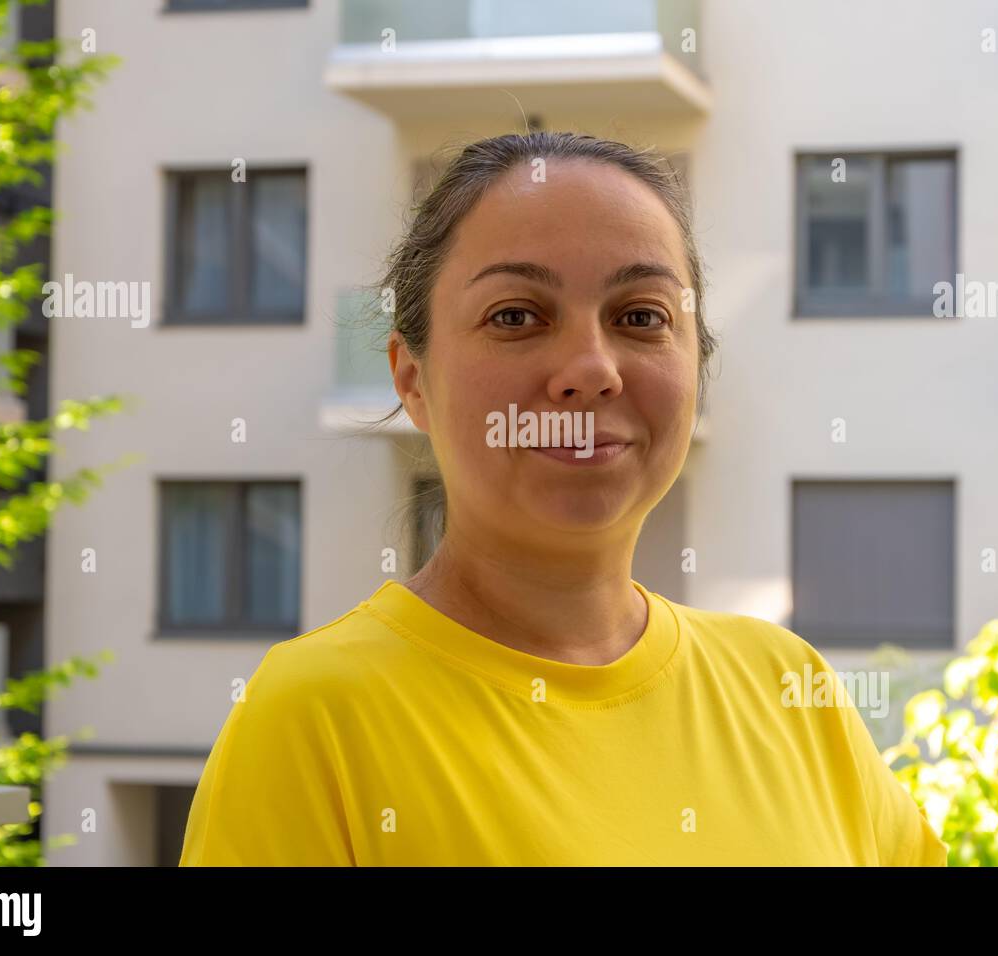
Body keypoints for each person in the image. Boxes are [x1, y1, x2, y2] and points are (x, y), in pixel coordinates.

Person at [179, 131, 948, 866]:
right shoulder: (313, 718)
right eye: (515, 316)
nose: (590, 368)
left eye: (641, 317)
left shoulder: (787, 687)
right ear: (413, 378)